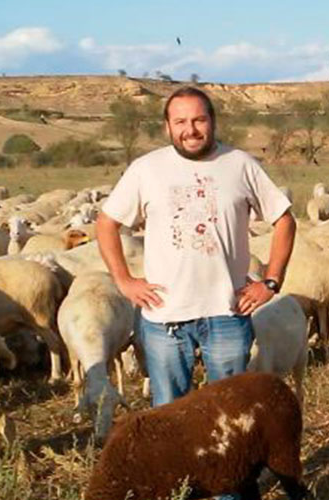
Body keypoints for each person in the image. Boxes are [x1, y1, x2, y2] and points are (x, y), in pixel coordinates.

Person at [97, 86, 296, 410]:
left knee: (229, 413)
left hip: (228, 312)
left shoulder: (240, 164)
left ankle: (228, 464)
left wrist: (271, 281)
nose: (190, 130)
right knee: (170, 413)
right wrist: (123, 280)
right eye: (180, 122)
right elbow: (106, 224)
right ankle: (177, 464)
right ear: (167, 126)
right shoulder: (146, 169)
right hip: (165, 315)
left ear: (212, 121)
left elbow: (284, 220)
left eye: (199, 120)